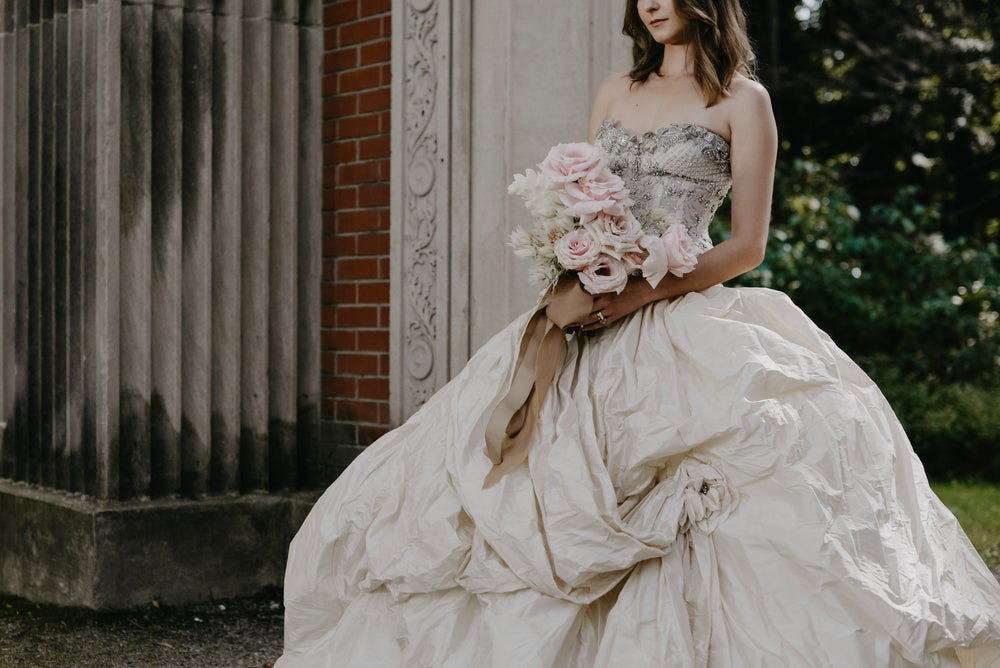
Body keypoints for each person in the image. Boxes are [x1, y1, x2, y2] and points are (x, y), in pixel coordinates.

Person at [276, 0, 1000, 665]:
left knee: (735, 472)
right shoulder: (616, 91)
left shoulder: (744, 102)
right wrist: (578, 264)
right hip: (586, 309)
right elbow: (584, 205)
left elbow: (748, 244)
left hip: (676, 313)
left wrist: (636, 295)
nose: (651, 1)